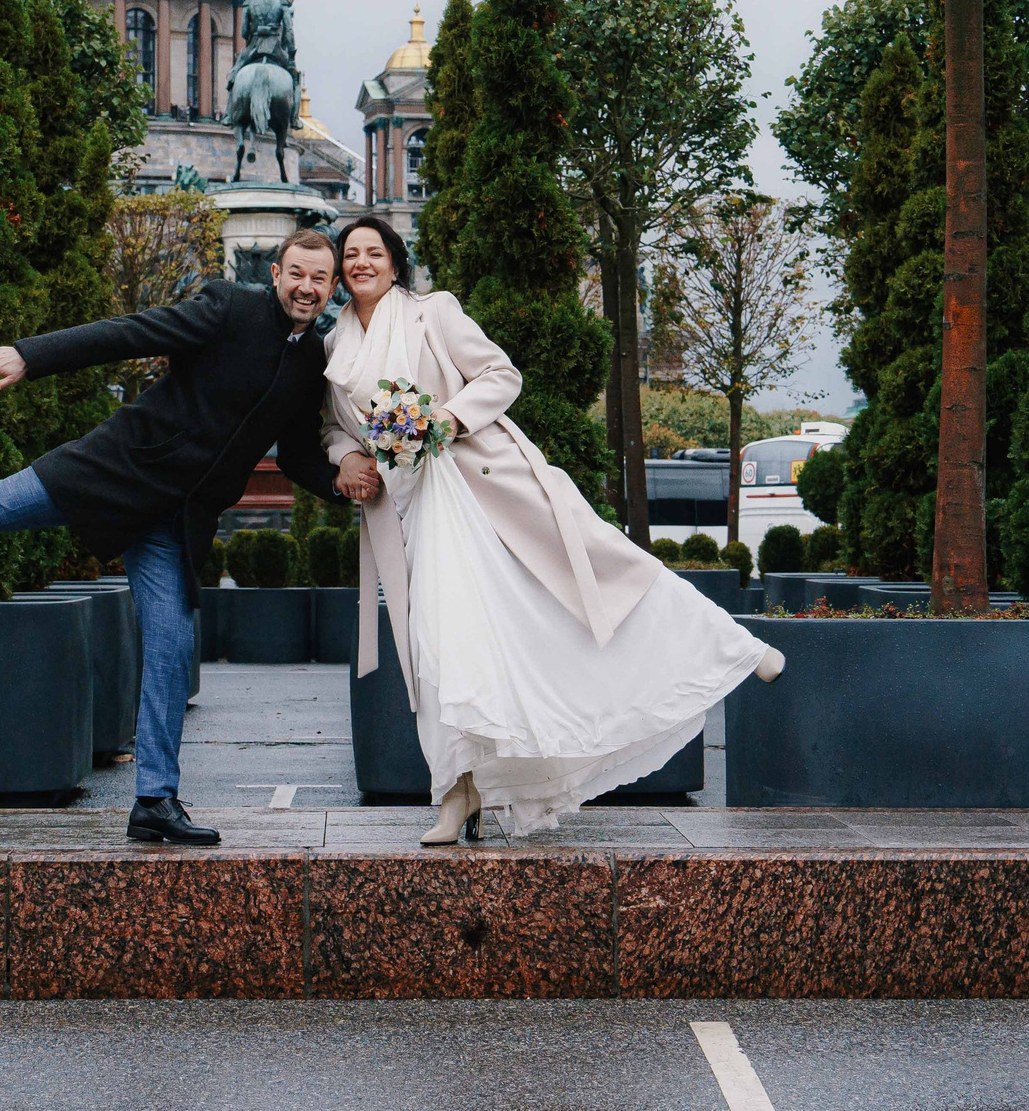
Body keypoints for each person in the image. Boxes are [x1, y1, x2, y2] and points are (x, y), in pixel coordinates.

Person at [0, 229, 349, 847]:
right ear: (275, 274)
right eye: (297, 273)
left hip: (173, 519)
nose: (307, 288)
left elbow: (294, 455)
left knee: (170, 647)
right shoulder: (228, 309)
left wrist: (348, 484)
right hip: (114, 469)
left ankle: (154, 799)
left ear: (331, 287)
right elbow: (130, 330)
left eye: (319, 279)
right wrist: (31, 355)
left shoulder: (313, 361)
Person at [320, 214, 783, 846]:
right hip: (409, 512)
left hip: (483, 488)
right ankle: (458, 795)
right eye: (351, 254)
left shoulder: (434, 313)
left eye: (374, 252)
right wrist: (346, 457)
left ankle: (731, 646)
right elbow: (337, 427)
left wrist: (444, 421)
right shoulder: (334, 345)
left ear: (395, 263)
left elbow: (501, 374)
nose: (361, 262)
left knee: (598, 577)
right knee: (438, 652)